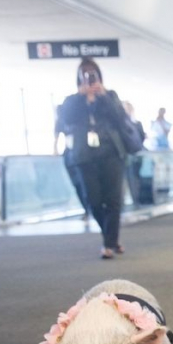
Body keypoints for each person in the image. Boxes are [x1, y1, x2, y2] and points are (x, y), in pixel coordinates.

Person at [59, 58, 130, 259]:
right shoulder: (72, 100)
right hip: (84, 155)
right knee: (94, 200)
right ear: (79, 78)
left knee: (113, 199)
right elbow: (65, 120)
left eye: (93, 74)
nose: (90, 78)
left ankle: (108, 244)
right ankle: (110, 236)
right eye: (85, 74)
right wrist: (82, 98)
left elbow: (120, 118)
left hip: (111, 152)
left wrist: (103, 96)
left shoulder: (110, 96)